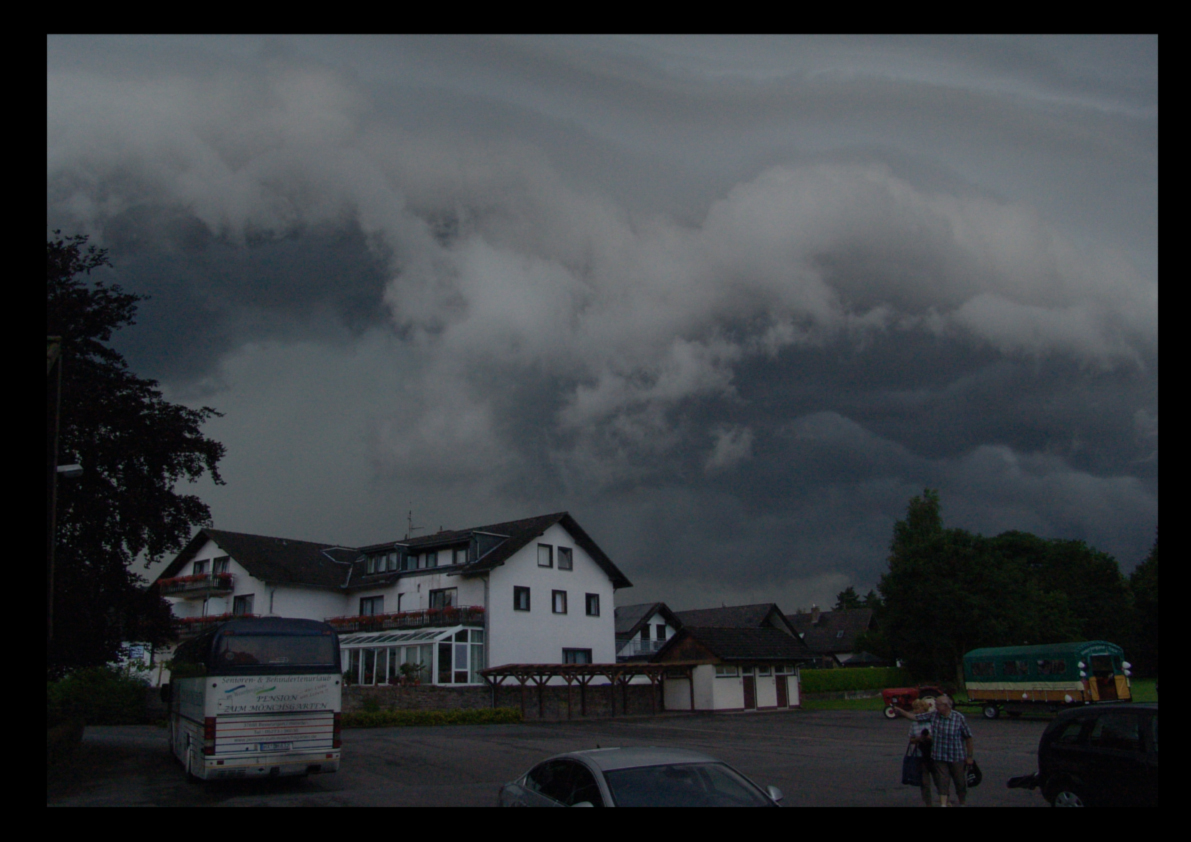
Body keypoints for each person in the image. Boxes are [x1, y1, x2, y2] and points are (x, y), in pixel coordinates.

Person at [895, 694, 974, 806]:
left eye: (938, 705)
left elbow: (968, 737)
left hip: (956, 756)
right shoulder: (934, 716)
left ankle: (962, 802)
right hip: (939, 756)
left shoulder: (958, 717)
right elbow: (915, 717)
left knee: (960, 782)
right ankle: (943, 804)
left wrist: (969, 756)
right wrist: (901, 711)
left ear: (946, 706)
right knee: (942, 782)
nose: (935, 707)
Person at [907, 698, 936, 806]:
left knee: (939, 780)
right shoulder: (914, 723)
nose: (916, 711)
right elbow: (911, 739)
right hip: (921, 755)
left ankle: (945, 800)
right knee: (924, 782)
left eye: (918, 708)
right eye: (914, 708)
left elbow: (938, 737)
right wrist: (918, 739)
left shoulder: (932, 721)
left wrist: (929, 738)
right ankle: (928, 802)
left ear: (924, 708)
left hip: (933, 754)